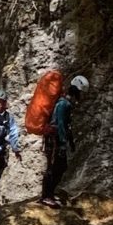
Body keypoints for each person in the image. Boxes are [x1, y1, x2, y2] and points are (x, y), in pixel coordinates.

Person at [40, 73, 89, 204]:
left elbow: (66, 125)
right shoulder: (63, 104)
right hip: (54, 139)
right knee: (54, 166)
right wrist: (62, 143)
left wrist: (70, 141)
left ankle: (49, 193)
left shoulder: (65, 103)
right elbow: (61, 124)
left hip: (55, 138)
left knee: (60, 166)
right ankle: (46, 195)